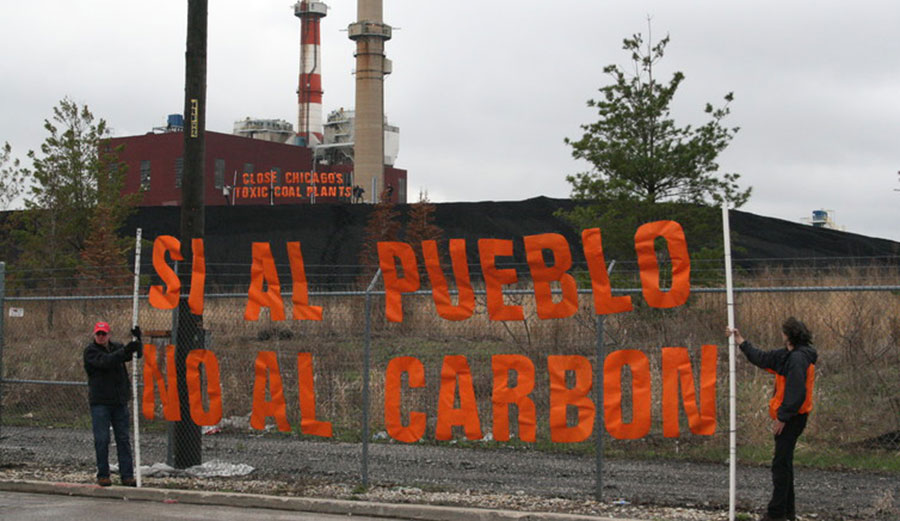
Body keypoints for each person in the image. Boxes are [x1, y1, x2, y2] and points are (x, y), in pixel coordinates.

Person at [726, 317, 818, 521]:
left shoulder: (797, 359)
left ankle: (776, 514)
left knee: (780, 465)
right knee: (784, 464)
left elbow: (796, 393)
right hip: (792, 416)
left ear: (788, 336)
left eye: (783, 332)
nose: (781, 334)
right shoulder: (789, 354)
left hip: (793, 418)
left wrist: (782, 418)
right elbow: (762, 358)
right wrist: (741, 341)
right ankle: (786, 512)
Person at [83, 321, 143, 487]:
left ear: (109, 334)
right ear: (94, 335)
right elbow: (106, 361)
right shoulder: (91, 351)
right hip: (100, 402)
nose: (101, 337)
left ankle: (127, 475)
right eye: (98, 334)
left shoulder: (117, 347)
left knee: (123, 439)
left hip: (119, 401)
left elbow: (135, 355)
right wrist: (126, 350)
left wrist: (138, 341)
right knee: (102, 439)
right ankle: (103, 474)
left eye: (104, 334)